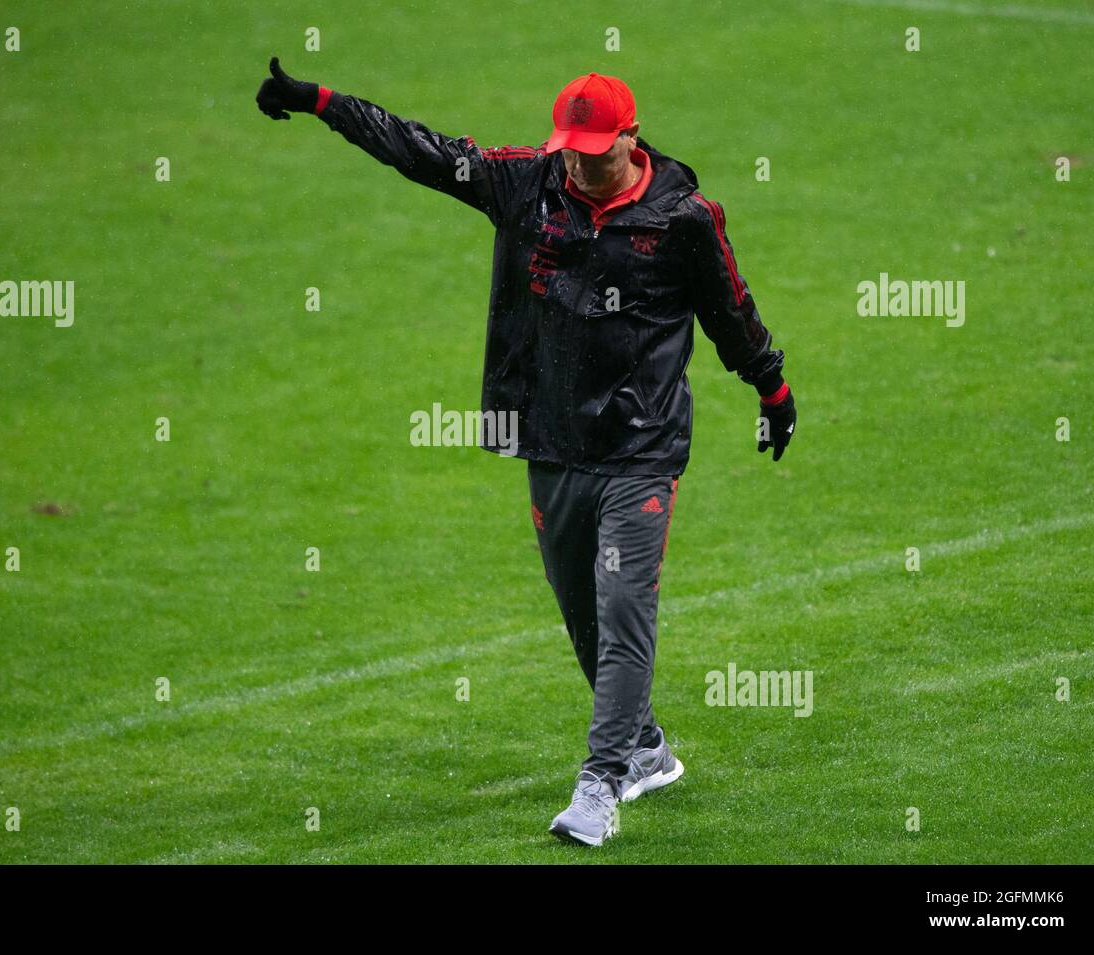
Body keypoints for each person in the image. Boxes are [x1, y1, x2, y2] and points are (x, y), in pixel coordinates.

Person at [257, 59, 797, 846]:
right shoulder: (529, 184)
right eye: (571, 146)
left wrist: (771, 387)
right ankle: (646, 749)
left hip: (640, 449)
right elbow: (425, 151)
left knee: (622, 609)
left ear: (631, 138)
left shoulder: (683, 217)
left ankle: (600, 782)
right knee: (582, 611)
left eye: (596, 149)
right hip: (549, 436)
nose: (579, 161)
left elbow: (730, 310)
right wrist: (323, 102)